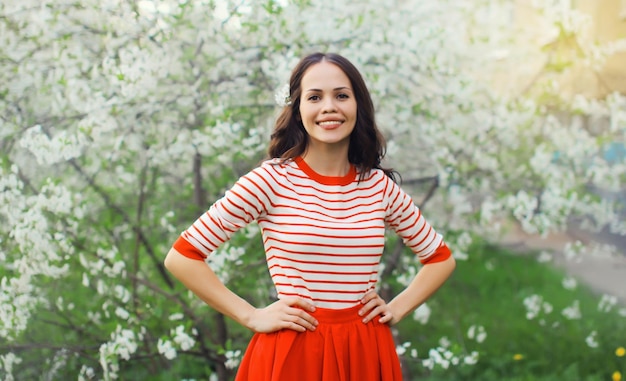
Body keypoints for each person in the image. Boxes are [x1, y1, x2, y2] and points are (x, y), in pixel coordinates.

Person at [164, 52, 456, 381]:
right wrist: (250, 315)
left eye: (341, 95)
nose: (329, 107)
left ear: (358, 105)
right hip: (293, 352)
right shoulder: (270, 181)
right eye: (314, 97)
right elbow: (183, 257)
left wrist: (397, 307)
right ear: (298, 108)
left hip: (365, 349)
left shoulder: (378, 187)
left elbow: (440, 258)